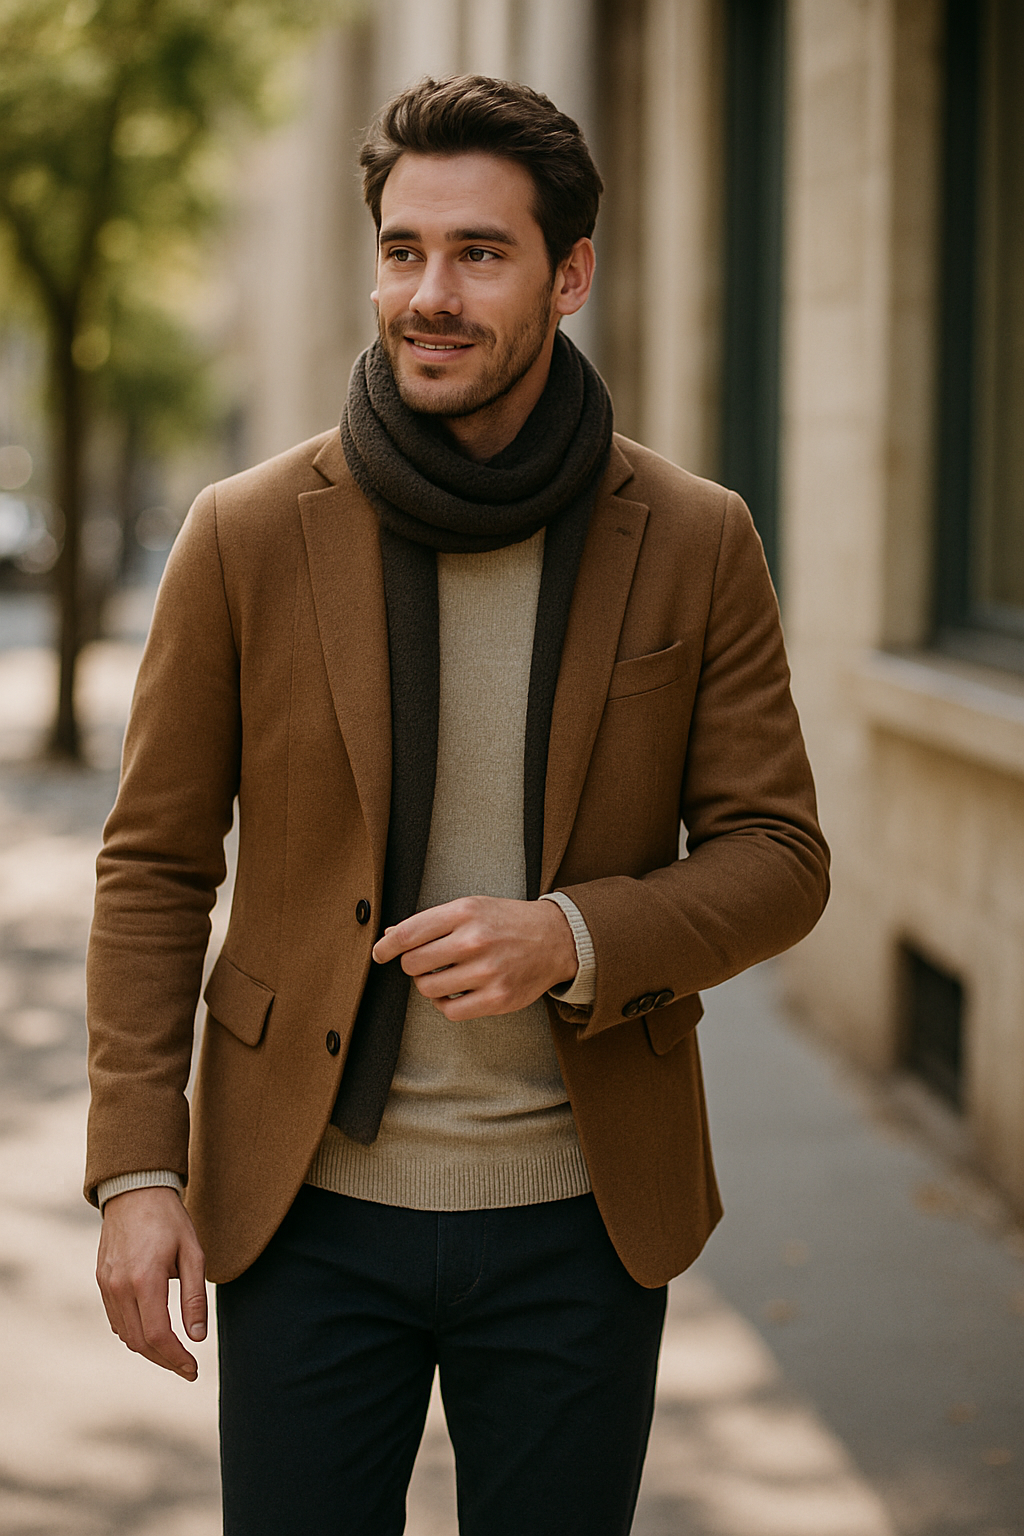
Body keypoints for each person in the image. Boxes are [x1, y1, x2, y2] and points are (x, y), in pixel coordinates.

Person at [86, 75, 829, 1536]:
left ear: (571, 276)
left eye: (479, 254)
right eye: (403, 249)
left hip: (580, 1214)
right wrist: (133, 1169)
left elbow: (782, 857)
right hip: (304, 1209)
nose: (428, 293)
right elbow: (156, 864)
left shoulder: (694, 537)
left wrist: (574, 935)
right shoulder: (244, 534)